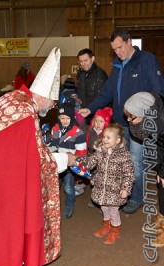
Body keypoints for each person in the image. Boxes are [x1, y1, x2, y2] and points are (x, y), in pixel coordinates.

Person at [0, 48, 76, 266]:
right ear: (44, 97)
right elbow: (39, 161)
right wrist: (66, 160)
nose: (53, 107)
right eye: (53, 102)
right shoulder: (26, 114)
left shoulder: (14, 97)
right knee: (4, 213)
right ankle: (2, 263)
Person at [79, 29, 164, 214]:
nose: (118, 52)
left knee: (135, 161)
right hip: (119, 124)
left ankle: (137, 197)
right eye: (115, 49)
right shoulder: (117, 65)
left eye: (120, 47)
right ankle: (113, 194)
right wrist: (90, 108)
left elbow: (158, 92)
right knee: (114, 161)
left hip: (137, 123)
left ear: (129, 41)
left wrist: (145, 115)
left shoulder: (147, 60)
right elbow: (107, 93)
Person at [77, 123, 134, 244]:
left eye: (109, 137)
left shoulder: (124, 156)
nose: (105, 139)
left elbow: (129, 174)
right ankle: (106, 225)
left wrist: (125, 188)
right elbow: (90, 162)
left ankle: (115, 229)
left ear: (117, 140)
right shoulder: (100, 151)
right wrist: (80, 162)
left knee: (113, 210)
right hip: (101, 187)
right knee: (103, 207)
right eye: (104, 136)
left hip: (115, 189)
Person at [124, 92, 164, 247]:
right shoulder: (149, 110)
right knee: (160, 185)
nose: (128, 120)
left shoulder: (160, 121)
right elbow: (156, 145)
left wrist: (162, 171)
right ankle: (161, 219)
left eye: (131, 117)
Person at [76, 48, 108, 201]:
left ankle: (99, 188)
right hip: (84, 117)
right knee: (83, 150)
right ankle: (83, 180)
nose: (83, 64)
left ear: (93, 59)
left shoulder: (101, 75)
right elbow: (81, 93)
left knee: (98, 152)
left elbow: (104, 98)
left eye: (86, 60)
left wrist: (95, 116)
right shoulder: (80, 74)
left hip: (96, 117)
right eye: (81, 61)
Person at [49, 102, 87, 218]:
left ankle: (69, 205)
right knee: (54, 187)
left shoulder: (78, 133)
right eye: (62, 118)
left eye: (67, 118)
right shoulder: (55, 129)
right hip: (57, 164)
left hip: (70, 166)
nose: (64, 121)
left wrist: (76, 162)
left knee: (68, 188)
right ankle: (53, 207)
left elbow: (82, 152)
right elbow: (53, 145)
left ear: (72, 117)